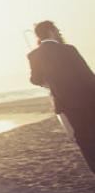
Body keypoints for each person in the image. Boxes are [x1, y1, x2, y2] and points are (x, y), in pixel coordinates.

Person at [27, 20, 95, 174]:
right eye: (57, 30)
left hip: (67, 105)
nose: (59, 32)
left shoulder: (34, 55)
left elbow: (35, 79)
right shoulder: (68, 49)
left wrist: (48, 81)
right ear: (51, 31)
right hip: (89, 100)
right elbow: (87, 75)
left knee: (83, 139)